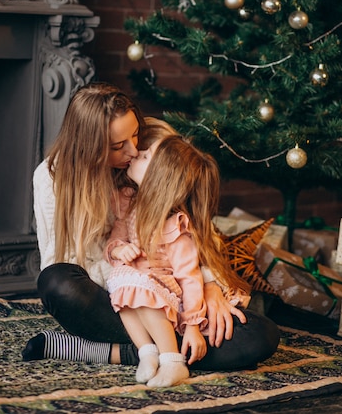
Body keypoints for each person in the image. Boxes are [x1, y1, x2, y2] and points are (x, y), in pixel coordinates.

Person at [22, 82, 280, 370]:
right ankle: (156, 348)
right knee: (57, 283)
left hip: (179, 294)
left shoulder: (154, 141)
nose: (134, 150)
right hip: (114, 299)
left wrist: (209, 286)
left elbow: (197, 229)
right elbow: (60, 263)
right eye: (118, 146)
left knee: (261, 335)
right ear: (88, 147)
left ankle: (108, 352)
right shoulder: (51, 179)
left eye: (135, 135)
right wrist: (136, 277)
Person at [104, 135, 250, 387]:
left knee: (139, 289)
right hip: (134, 281)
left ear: (159, 179)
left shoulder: (175, 226)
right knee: (121, 285)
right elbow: (114, 241)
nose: (137, 153)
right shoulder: (128, 204)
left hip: (165, 293)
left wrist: (193, 325)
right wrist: (119, 251)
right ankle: (146, 352)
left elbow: (190, 277)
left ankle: (173, 361)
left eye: (147, 155)